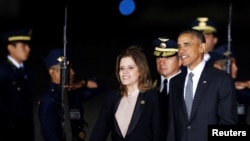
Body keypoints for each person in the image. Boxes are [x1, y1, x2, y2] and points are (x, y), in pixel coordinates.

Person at [167, 29, 238, 141]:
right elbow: (172, 126)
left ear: (202, 47)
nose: (181, 50)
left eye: (187, 45)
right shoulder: (175, 82)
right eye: (179, 46)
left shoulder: (221, 79)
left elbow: (228, 124)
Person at [89, 45, 165, 141]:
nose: (125, 72)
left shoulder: (152, 97)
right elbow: (99, 132)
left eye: (130, 68)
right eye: (121, 68)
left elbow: (159, 135)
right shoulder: (112, 97)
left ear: (141, 70)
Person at [38, 48, 105, 141]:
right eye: (67, 69)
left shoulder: (73, 92)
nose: (73, 72)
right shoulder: (49, 100)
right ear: (52, 73)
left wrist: (83, 83)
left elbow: (100, 86)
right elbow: (50, 136)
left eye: (71, 68)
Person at [0, 28, 35, 141]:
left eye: (28, 45)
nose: (28, 49)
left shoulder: (27, 70)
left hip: (26, 127)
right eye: (23, 46)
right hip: (9, 130)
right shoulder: (3, 72)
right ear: (11, 48)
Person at [151, 37, 182, 132]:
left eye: (168, 57)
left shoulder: (188, 86)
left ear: (180, 61)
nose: (162, 62)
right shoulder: (149, 85)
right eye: (159, 57)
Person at [212, 45, 250, 124]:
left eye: (235, 64)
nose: (236, 68)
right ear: (218, 66)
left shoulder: (239, 89)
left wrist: (247, 85)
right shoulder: (210, 89)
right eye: (231, 64)